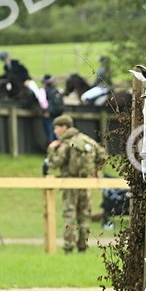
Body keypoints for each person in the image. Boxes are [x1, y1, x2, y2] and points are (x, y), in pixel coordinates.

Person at [46, 115, 108, 253]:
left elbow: (55, 163)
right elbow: (102, 155)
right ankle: (83, 246)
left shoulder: (65, 143)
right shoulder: (86, 140)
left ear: (64, 127)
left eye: (56, 128)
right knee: (85, 215)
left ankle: (68, 247)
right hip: (85, 183)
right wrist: (95, 172)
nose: (55, 131)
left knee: (70, 215)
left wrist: (51, 149)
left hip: (70, 184)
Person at [41, 74, 66, 143]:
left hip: (49, 114)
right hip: (59, 113)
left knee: (50, 131)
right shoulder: (58, 90)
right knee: (58, 131)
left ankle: (52, 147)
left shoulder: (43, 90)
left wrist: (46, 110)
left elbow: (42, 101)